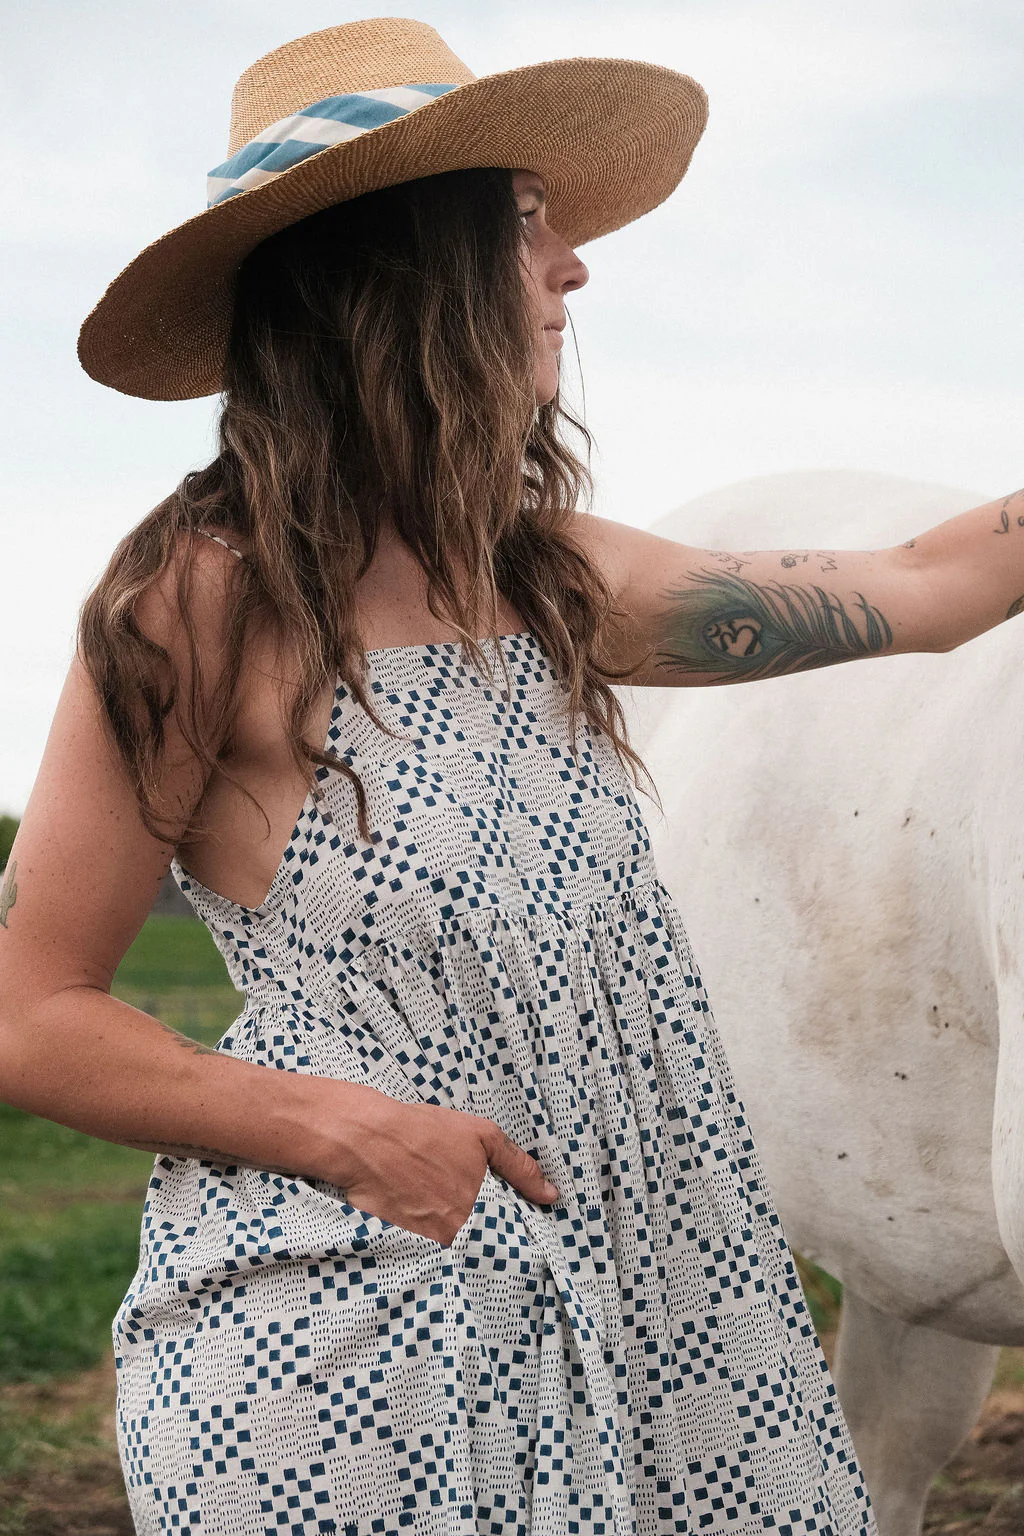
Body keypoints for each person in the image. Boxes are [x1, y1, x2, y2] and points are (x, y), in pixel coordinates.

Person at [2, 15, 1021, 1535]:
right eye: (528, 225)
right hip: (347, 1347)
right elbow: (31, 1012)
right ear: (404, 262)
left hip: (635, 1325)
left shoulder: (548, 580)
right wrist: (342, 1129)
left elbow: (929, 586)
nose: (574, 273)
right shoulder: (199, 602)